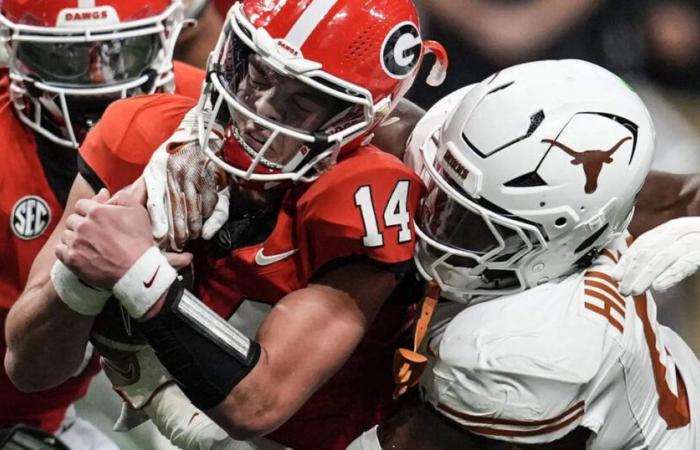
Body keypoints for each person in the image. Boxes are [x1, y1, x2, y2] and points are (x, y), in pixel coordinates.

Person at [4, 1, 447, 449]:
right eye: (258, 76)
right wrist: (83, 274)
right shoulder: (143, 127)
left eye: (304, 101)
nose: (260, 109)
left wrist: (136, 273)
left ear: (359, 118)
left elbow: (258, 404)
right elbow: (27, 367)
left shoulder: (365, 195)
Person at [349, 59, 700, 449]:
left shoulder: (529, 348)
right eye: (444, 196)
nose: (440, 229)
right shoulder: (584, 205)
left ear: (568, 240)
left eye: (482, 225)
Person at [0, 0, 204, 447]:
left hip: (52, 411)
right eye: (64, 57)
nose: (95, 82)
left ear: (169, 35)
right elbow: (31, 365)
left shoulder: (203, 112)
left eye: (121, 51)